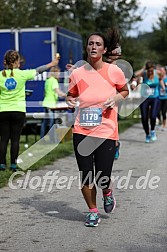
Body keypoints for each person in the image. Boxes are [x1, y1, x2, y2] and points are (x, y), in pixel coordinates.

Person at [66, 32, 129, 227]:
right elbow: (71, 94)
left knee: (103, 175)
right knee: (86, 174)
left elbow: (124, 90)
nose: (93, 47)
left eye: (98, 44)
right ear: (87, 47)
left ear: (104, 50)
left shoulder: (114, 71)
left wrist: (115, 99)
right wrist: (70, 101)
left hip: (106, 131)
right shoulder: (78, 73)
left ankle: (107, 191)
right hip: (82, 131)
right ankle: (93, 211)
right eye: (90, 43)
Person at [0, 49, 59, 171]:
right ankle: (13, 165)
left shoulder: (0, 75)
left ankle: (1, 164)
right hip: (18, 111)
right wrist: (51, 64)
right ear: (18, 63)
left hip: (3, 110)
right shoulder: (22, 74)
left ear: (5, 62)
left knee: (4, 138)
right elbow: (38, 70)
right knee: (15, 139)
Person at [134, 61, 165, 143]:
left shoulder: (157, 73)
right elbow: (135, 74)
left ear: (153, 69)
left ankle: (152, 131)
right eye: (149, 70)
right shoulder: (144, 73)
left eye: (151, 70)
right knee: (144, 118)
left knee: (153, 116)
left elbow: (161, 80)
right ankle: (147, 134)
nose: (150, 72)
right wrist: (143, 69)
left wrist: (163, 87)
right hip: (144, 98)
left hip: (155, 97)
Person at [40, 66, 66, 143]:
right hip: (51, 105)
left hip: (45, 103)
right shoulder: (54, 81)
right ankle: (52, 139)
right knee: (51, 122)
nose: (59, 75)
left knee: (45, 122)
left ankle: (42, 138)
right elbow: (57, 91)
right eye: (58, 73)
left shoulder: (47, 80)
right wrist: (66, 95)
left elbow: (45, 92)